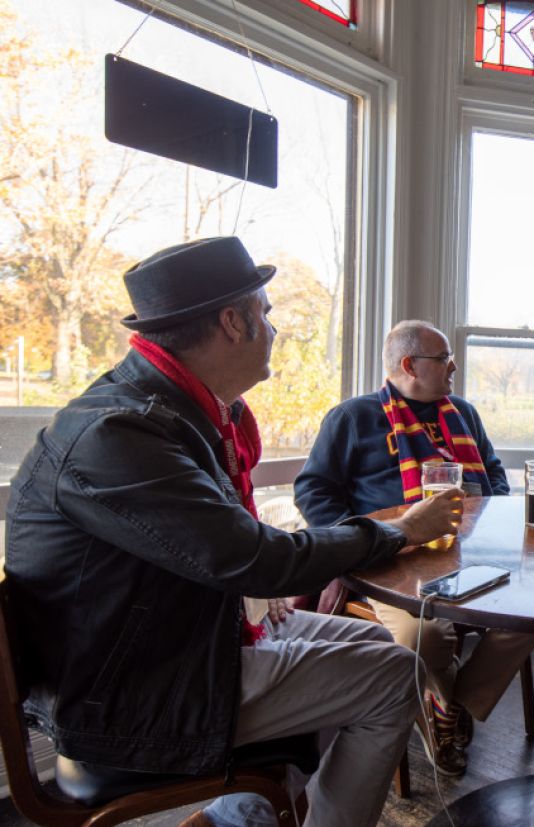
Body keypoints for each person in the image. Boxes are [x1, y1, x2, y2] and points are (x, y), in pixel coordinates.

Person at [3, 237, 465, 827]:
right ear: (231, 322)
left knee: (379, 644)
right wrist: (399, 532)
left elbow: (216, 549)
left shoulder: (180, 414)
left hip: (178, 640)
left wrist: (257, 597)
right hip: (130, 697)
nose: (273, 329)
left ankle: (239, 816)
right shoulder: (120, 434)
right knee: (392, 674)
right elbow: (253, 558)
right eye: (265, 313)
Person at [295, 319, 534, 776]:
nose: (454, 367)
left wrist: (491, 511)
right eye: (445, 358)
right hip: (392, 561)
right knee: (423, 635)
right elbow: (314, 492)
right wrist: (359, 540)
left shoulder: (462, 412)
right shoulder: (353, 418)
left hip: (476, 554)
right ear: (409, 364)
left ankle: (452, 706)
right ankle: (445, 708)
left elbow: (495, 473)